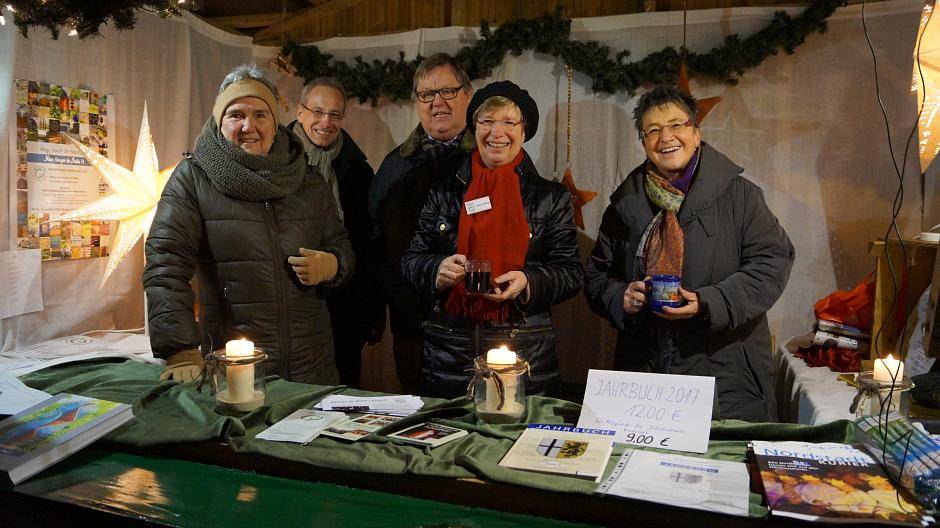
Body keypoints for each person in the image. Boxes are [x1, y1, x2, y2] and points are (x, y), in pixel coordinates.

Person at [584, 85, 794, 422]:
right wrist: (620, 297)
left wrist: (709, 302)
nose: (666, 137)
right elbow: (596, 275)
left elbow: (772, 263)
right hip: (645, 377)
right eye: (653, 130)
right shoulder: (625, 204)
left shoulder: (740, 196)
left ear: (696, 133)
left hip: (726, 379)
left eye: (676, 125)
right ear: (644, 143)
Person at [144, 64, 354, 385]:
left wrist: (333, 264)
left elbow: (341, 245)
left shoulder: (307, 177)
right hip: (236, 367)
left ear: (274, 121)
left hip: (312, 365)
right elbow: (165, 263)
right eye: (236, 115)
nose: (248, 126)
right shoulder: (194, 179)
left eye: (260, 115)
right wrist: (180, 349)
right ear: (219, 120)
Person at [402, 80, 583, 398]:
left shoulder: (550, 198)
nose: (496, 133)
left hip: (525, 348)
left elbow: (570, 271)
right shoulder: (444, 193)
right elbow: (411, 260)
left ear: (524, 131)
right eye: (487, 121)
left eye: (509, 122)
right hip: (450, 351)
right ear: (475, 129)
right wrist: (436, 269)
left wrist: (528, 281)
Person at [368, 53, 475, 393]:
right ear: (416, 102)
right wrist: (382, 308)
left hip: (475, 326)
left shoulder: (493, 156)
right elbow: (375, 243)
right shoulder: (394, 166)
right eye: (427, 94)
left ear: (468, 95)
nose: (437, 102)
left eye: (448, 91)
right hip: (413, 327)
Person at [289, 77, 383, 388]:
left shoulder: (358, 170)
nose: (325, 122)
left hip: (345, 308)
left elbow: (369, 245)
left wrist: (371, 311)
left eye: (334, 114)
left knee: (343, 392)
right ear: (300, 112)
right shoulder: (275, 162)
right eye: (317, 111)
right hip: (292, 304)